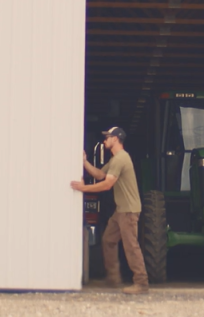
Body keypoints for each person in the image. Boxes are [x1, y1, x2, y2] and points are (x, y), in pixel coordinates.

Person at [70, 126, 148, 294]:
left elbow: (107, 184)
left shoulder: (121, 159)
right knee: (108, 240)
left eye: (107, 137)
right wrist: (85, 162)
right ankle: (113, 279)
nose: (105, 140)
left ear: (115, 139)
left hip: (128, 211)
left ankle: (141, 283)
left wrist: (84, 189)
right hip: (121, 210)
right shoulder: (115, 159)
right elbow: (99, 175)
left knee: (131, 246)